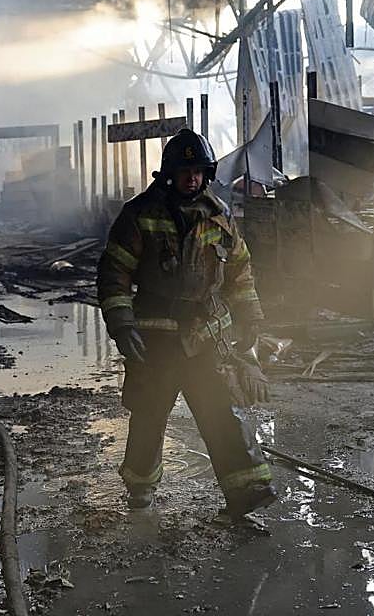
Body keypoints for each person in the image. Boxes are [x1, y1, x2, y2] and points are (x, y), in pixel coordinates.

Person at [96, 128, 275, 515]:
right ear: (169, 173)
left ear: (207, 174)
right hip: (156, 338)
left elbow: (241, 272)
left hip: (206, 335)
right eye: (184, 170)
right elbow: (115, 273)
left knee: (222, 411)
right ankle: (140, 487)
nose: (191, 178)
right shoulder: (140, 214)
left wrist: (250, 319)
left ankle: (247, 491)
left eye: (198, 171)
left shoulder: (219, 215)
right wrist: (123, 325)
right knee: (150, 414)